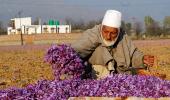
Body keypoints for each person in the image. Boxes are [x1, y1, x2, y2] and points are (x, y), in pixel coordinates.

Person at [71, 10, 154, 79]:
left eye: (113, 33)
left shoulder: (123, 36)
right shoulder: (92, 35)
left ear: (118, 31)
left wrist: (142, 59)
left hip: (119, 76)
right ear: (102, 28)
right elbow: (77, 49)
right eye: (105, 32)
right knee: (100, 48)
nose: (108, 36)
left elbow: (133, 54)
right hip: (95, 76)